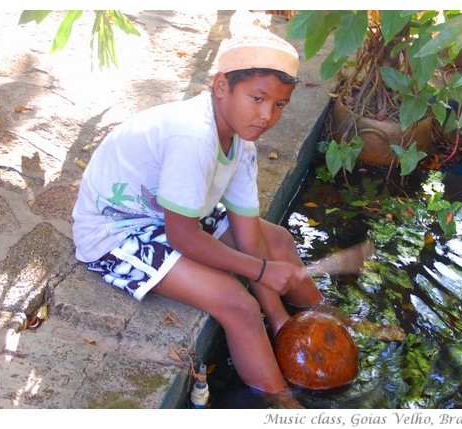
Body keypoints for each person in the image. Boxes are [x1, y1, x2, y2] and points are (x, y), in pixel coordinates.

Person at [71, 30, 323, 402]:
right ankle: (284, 403)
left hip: (166, 212)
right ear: (221, 86)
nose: (267, 116)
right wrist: (263, 273)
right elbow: (183, 238)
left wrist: (280, 318)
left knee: (281, 242)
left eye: (280, 105)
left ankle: (323, 318)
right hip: (118, 230)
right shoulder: (193, 137)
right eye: (258, 98)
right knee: (238, 305)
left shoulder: (241, 140)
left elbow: (249, 237)